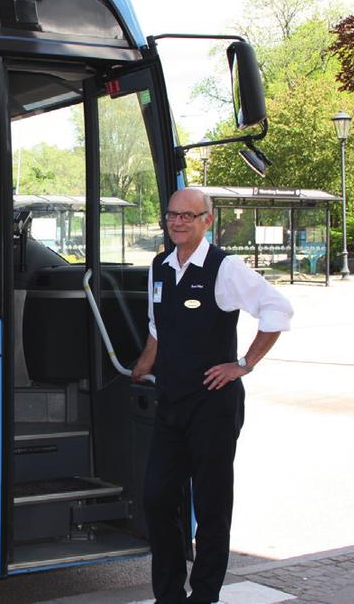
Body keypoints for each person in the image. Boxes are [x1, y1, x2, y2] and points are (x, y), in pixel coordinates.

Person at [131, 187, 293, 604]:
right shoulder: (160, 266)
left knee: (211, 506)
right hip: (171, 401)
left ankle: (204, 595)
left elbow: (277, 308)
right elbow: (156, 326)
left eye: (188, 215)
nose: (178, 222)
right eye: (172, 215)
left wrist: (244, 363)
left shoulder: (225, 268)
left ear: (208, 221)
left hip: (213, 406)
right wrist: (145, 363)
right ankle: (169, 595)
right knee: (157, 497)